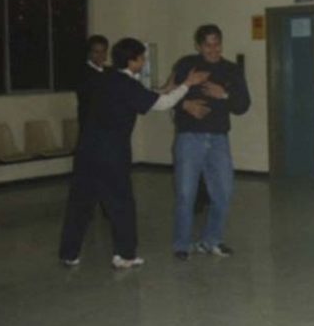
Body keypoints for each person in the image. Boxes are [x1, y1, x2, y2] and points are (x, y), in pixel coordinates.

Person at [59, 38, 209, 269]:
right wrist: (188, 83)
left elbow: (148, 95)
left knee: (80, 203)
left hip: (86, 150)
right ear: (133, 60)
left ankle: (69, 254)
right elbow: (162, 103)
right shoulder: (127, 85)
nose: (144, 61)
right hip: (111, 153)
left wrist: (169, 87)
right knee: (121, 204)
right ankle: (125, 255)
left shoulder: (106, 78)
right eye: (142, 58)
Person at [171, 24, 250, 261]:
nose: (213, 49)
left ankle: (212, 240)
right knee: (186, 193)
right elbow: (167, 95)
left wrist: (223, 95)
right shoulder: (186, 64)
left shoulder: (231, 70)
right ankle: (182, 244)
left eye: (217, 43)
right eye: (208, 44)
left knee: (223, 192)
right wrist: (184, 105)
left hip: (218, 138)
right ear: (198, 46)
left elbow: (243, 105)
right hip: (189, 137)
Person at [77, 35, 111, 134]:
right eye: (96, 52)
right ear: (89, 53)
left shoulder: (110, 72)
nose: (100, 55)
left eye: (103, 51)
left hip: (108, 123)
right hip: (91, 123)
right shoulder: (83, 73)